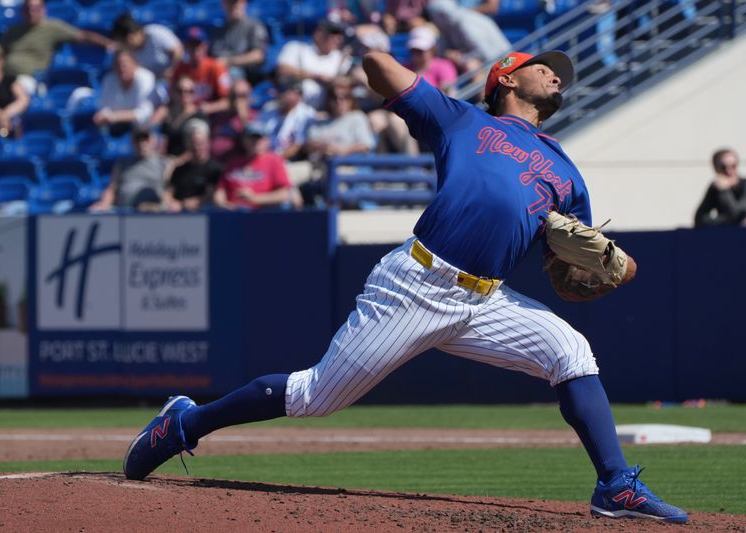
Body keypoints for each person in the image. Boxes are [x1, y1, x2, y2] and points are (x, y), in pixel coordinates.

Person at [122, 50, 688, 524]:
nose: (557, 75)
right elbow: (376, 66)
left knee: (572, 350)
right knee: (314, 397)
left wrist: (598, 273)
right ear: (506, 78)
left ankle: (615, 485)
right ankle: (185, 422)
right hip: (416, 283)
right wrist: (383, 62)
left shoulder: (565, 170)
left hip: (486, 300)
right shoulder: (463, 120)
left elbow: (568, 276)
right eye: (543, 67)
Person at [0, 0, 113, 94]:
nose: (31, 12)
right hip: (4, 77)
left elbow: (83, 36)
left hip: (29, 80)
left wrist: (108, 43)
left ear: (43, 10)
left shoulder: (52, 27)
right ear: (22, 10)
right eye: (28, 8)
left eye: (35, 8)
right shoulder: (13, 30)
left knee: (16, 88)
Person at [212, 122, 297, 210]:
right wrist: (224, 205)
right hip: (233, 214)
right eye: (252, 138)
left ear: (267, 140)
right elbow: (220, 191)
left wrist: (256, 198)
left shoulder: (274, 161)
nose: (256, 142)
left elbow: (285, 194)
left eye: (259, 138)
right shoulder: (233, 163)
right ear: (244, 140)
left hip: (262, 215)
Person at [276, 19, 353, 110]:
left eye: (340, 36)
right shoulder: (296, 47)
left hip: (323, 113)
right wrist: (317, 76)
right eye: (333, 35)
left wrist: (334, 81)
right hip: (291, 108)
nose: (338, 39)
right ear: (318, 34)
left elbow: (348, 81)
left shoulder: (340, 57)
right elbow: (283, 70)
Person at [89, 126, 171, 211]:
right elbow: (112, 188)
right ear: (132, 142)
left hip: (152, 213)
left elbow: (168, 190)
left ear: (153, 140)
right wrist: (104, 204)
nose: (142, 144)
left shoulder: (164, 163)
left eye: (145, 139)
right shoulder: (122, 163)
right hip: (126, 213)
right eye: (138, 140)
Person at [426, 0, 511, 80]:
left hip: (504, 62)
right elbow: (443, 53)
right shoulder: (447, 28)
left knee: (471, 66)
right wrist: (449, 54)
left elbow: (484, 53)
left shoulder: (466, 23)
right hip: (487, 63)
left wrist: (460, 58)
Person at [164, 120, 223, 212]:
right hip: (179, 215)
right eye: (193, 143)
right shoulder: (180, 169)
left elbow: (211, 194)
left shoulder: (216, 169)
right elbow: (169, 191)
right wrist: (172, 202)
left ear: (208, 143)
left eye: (200, 143)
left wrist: (197, 201)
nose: (197, 147)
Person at [172, 27, 231, 117]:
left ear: (205, 46)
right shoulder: (180, 68)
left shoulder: (216, 66)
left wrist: (206, 108)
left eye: (198, 45)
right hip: (185, 113)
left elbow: (227, 102)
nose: (195, 49)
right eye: (192, 45)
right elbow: (172, 95)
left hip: (211, 115)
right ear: (186, 47)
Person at [94, 50, 156, 135]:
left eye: (125, 64)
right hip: (115, 128)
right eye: (118, 64)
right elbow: (104, 107)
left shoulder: (145, 78)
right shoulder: (109, 80)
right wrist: (104, 116)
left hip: (141, 130)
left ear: (134, 64)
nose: (121, 67)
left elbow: (145, 113)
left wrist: (116, 116)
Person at [209, 0, 269, 85]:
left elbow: (258, 55)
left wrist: (229, 61)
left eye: (236, 2)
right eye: (230, 2)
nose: (233, 6)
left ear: (244, 3)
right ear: (224, 4)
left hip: (242, 75)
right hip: (216, 72)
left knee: (232, 73)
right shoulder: (218, 30)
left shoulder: (253, 26)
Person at [256, 77, 315, 162]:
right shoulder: (269, 108)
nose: (286, 95)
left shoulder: (306, 114)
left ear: (300, 95)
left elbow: (297, 145)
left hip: (289, 160)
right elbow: (258, 133)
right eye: (283, 91)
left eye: (290, 92)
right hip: (264, 155)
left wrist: (274, 160)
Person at [111, 14, 183, 81]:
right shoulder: (129, 51)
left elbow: (178, 50)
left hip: (176, 77)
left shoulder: (155, 33)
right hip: (153, 84)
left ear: (131, 37)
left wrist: (172, 70)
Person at [694, 148, 746, 227]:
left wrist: (724, 191)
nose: (729, 171)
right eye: (724, 167)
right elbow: (699, 219)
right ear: (716, 168)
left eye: (733, 166)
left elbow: (738, 215)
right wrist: (726, 221)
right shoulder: (716, 188)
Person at [158, 75, 207, 157]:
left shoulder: (199, 116)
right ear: (173, 92)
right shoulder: (168, 115)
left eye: (189, 91)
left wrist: (176, 163)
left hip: (187, 164)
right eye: (180, 91)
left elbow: (198, 148)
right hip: (167, 159)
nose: (184, 94)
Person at [209, 78, 258, 161]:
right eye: (234, 95)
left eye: (243, 96)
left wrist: (243, 118)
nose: (238, 100)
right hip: (215, 162)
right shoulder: (220, 116)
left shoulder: (254, 117)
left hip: (237, 164)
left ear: (250, 97)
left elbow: (251, 142)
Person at [404, 26, 457, 94]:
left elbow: (449, 95)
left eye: (420, 51)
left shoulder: (444, 66)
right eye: (413, 50)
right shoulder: (404, 68)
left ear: (432, 49)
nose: (416, 54)